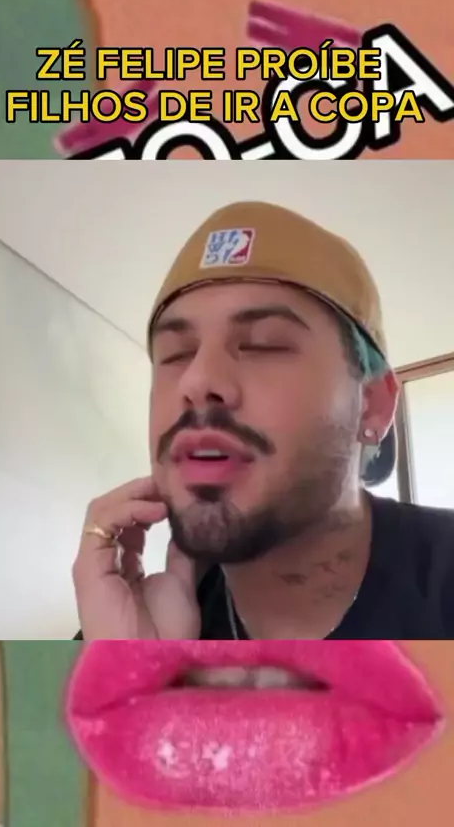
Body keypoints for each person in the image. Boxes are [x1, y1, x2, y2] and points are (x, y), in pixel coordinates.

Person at [73, 201, 454, 640]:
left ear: (371, 404)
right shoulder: (124, 626)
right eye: (176, 354)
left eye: (262, 344)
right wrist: (139, 667)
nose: (196, 380)